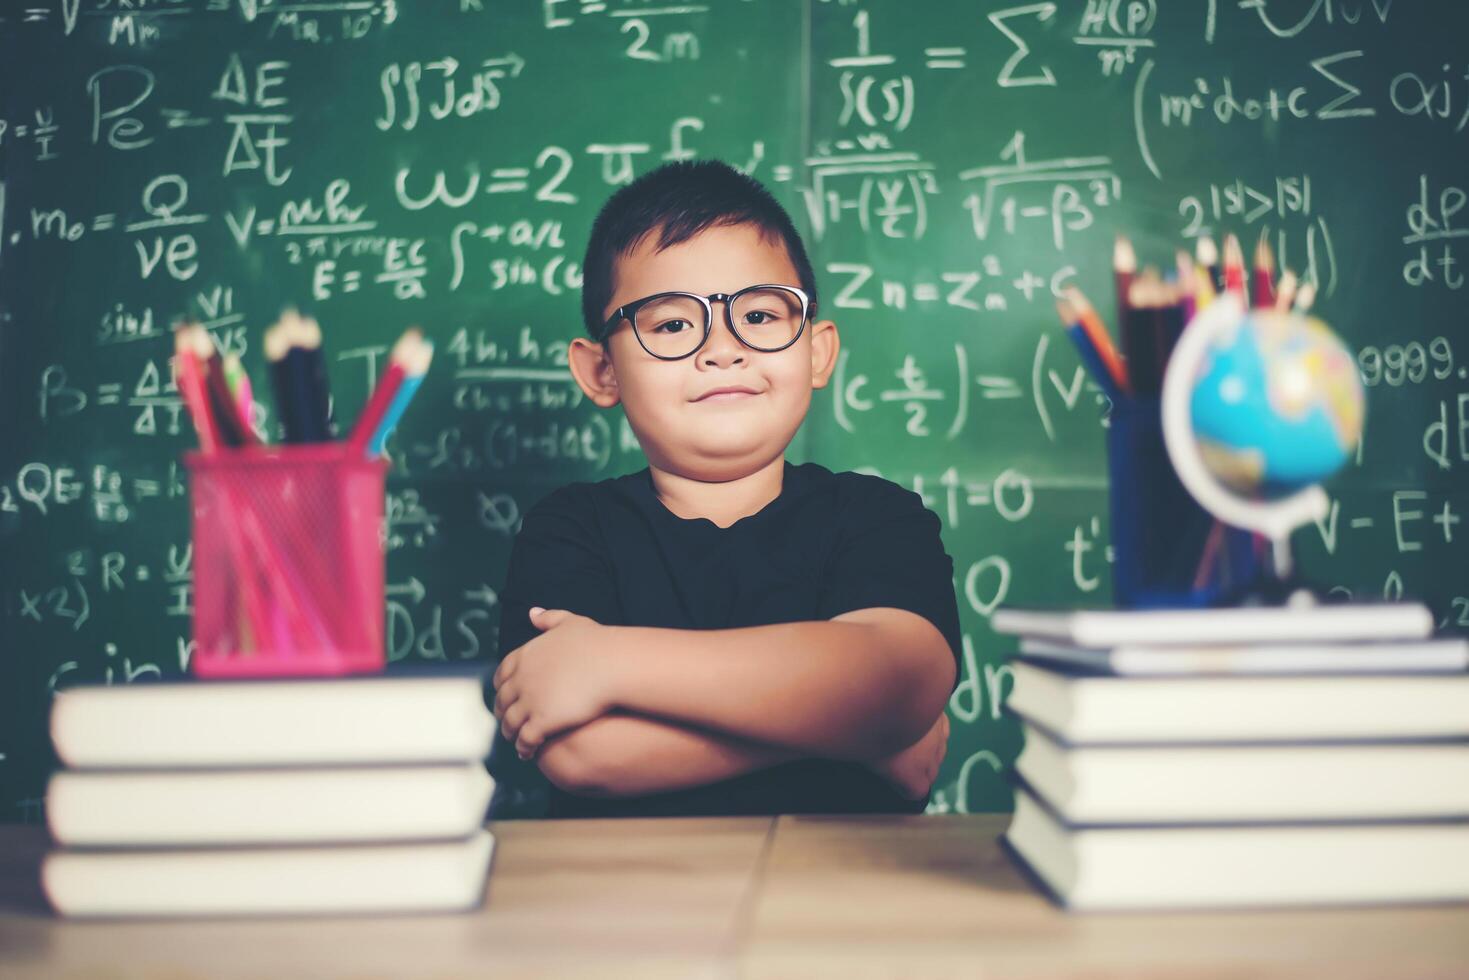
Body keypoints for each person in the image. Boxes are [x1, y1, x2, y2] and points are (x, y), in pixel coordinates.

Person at [490, 159, 960, 818]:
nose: (722, 349)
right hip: (623, 903)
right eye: (673, 325)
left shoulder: (875, 517)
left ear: (817, 351)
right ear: (601, 371)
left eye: (762, 316)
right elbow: (582, 754)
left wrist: (609, 662)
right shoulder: (571, 529)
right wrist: (857, 732)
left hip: (846, 896)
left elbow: (897, 681)